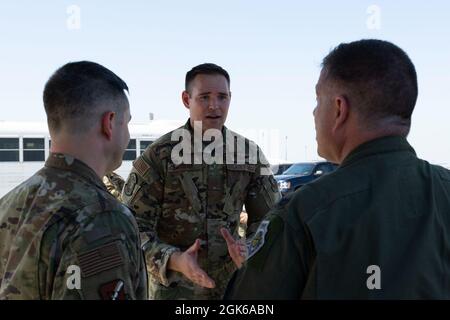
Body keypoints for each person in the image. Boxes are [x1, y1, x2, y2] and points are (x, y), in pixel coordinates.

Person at [224, 39, 450, 299]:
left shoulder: (306, 210)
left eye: (318, 100)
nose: (314, 112)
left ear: (339, 109)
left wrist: (260, 269)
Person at [122, 63, 281, 299]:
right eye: (204, 97)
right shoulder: (160, 156)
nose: (214, 106)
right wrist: (174, 259)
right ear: (187, 99)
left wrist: (251, 247)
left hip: (233, 288)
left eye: (222, 97)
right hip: (175, 291)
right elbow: (131, 227)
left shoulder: (249, 154)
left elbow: (271, 218)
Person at [0, 61, 147, 300]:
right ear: (109, 123)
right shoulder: (102, 217)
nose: (128, 134)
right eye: (126, 122)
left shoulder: (9, 203)